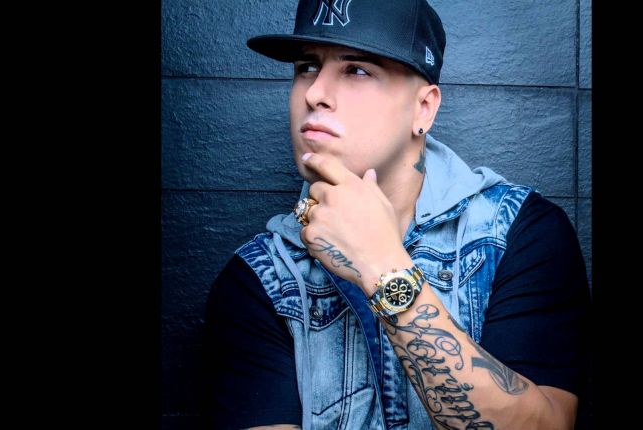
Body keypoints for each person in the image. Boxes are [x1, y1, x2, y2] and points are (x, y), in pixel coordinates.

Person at [204, 1, 591, 429]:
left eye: (356, 70)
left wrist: (382, 266)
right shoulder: (262, 277)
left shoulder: (519, 233)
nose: (314, 93)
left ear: (423, 108)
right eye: (307, 67)